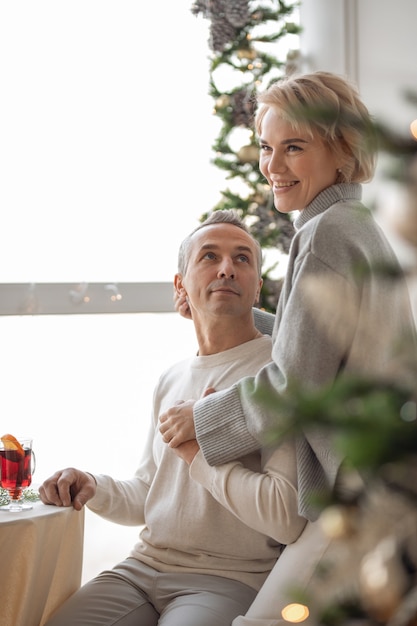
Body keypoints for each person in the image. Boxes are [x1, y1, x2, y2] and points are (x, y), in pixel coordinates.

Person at [159, 70, 417, 525]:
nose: (272, 167)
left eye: (293, 147)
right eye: (266, 147)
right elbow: (322, 347)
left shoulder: (325, 234)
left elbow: (296, 384)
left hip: (358, 492)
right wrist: (241, 315)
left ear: (342, 150)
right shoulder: (353, 222)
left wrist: (201, 421)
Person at [39, 210, 307, 626]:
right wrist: (94, 486)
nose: (226, 269)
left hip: (229, 577)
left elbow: (285, 518)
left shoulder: (277, 374)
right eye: (209, 256)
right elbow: (151, 493)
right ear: (180, 285)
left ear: (256, 288)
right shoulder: (172, 377)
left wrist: (199, 455)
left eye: (242, 259)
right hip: (142, 569)